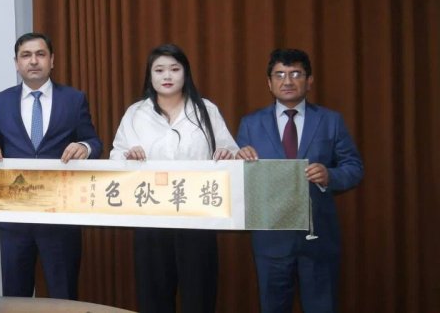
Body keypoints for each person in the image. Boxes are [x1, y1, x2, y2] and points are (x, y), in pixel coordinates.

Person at [110, 44, 238, 313]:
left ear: (185, 73)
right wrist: (129, 157)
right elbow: (116, 158)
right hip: (150, 216)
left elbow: (231, 153)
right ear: (150, 76)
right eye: (159, 70)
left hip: (198, 216)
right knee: (154, 296)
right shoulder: (136, 113)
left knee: (199, 295)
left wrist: (226, 155)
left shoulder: (206, 110)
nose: (167, 76)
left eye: (174, 69)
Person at [235, 48, 363, 313]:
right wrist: (238, 162)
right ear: (269, 83)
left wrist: (330, 175)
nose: (288, 81)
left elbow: (354, 167)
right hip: (270, 237)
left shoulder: (330, 120)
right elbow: (237, 180)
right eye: (280, 75)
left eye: (295, 74)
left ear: (309, 80)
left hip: (318, 237)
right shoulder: (251, 124)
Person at [0, 32, 103, 300]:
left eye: (40, 54)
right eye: (26, 55)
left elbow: (94, 141)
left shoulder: (73, 99)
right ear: (17, 63)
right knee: (15, 297)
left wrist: (85, 148)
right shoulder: (1, 101)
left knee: (63, 294)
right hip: (15, 219)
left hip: (60, 216)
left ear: (52, 60)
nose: (33, 61)